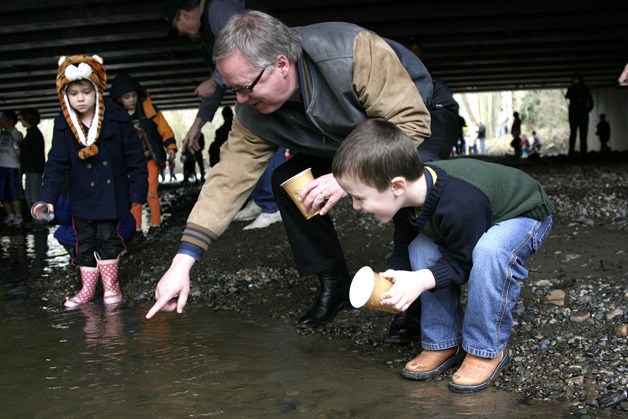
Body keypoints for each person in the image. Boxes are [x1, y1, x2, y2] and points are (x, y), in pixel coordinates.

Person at [146, 11, 460, 345]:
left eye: (245, 87)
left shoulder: (351, 51)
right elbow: (227, 181)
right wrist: (182, 263)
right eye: (231, 89)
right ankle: (334, 284)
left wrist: (346, 179)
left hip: (416, 121)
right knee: (290, 178)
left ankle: (411, 299)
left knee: (407, 184)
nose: (239, 100)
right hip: (347, 141)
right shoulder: (251, 110)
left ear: (282, 64)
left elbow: (408, 125)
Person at [331, 119, 554, 393]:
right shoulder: (406, 201)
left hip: (523, 214)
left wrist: (422, 280)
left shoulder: (459, 203)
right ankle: (443, 341)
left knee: (490, 252)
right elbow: (404, 244)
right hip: (475, 223)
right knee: (420, 249)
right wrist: (395, 277)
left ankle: (486, 350)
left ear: (397, 186)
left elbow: (466, 260)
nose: (355, 206)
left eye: (359, 198)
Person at [33, 54, 147, 308]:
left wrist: (137, 195)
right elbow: (55, 165)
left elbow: (135, 158)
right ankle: (86, 290)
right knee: (83, 242)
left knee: (109, 239)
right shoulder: (63, 124)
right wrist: (47, 199)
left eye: (86, 91)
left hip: (112, 195)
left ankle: (111, 288)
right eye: (73, 93)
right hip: (82, 196)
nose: (80, 98)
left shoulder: (116, 116)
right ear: (65, 95)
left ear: (97, 89)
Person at [165, 0, 284, 230]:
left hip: (268, 81)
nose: (179, 33)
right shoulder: (208, 36)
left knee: (268, 136)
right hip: (252, 89)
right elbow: (219, 83)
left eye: (176, 26)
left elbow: (243, 48)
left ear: (184, 14)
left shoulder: (217, 9)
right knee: (253, 128)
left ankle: (273, 206)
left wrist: (214, 80)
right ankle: (262, 201)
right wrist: (197, 126)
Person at [110, 73, 178, 239]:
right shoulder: (114, 116)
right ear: (119, 99)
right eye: (127, 97)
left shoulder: (147, 109)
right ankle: (136, 229)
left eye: (134, 95)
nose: (131, 99)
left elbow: (163, 127)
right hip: (129, 163)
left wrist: (171, 146)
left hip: (150, 159)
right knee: (134, 196)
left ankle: (156, 225)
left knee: (151, 192)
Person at [18, 108, 46, 225]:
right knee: (30, 195)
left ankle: (39, 221)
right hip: (32, 169)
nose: (21, 121)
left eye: (22, 119)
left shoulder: (33, 134)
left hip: (33, 169)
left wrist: (21, 152)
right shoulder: (33, 133)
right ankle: (37, 220)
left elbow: (33, 153)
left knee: (33, 196)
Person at [0, 110, 24, 226]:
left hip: (12, 166)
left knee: (13, 191)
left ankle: (18, 215)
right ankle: (10, 215)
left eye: (2, 118)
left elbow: (19, 150)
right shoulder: (1, 134)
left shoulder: (16, 134)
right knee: (3, 192)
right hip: (2, 166)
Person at [565, 73, 594, 157]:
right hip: (575, 115)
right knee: (574, 135)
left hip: (581, 115)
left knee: (582, 135)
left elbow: (591, 102)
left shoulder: (584, 89)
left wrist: (586, 111)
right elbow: (567, 98)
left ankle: (582, 154)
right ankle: (572, 154)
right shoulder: (572, 89)